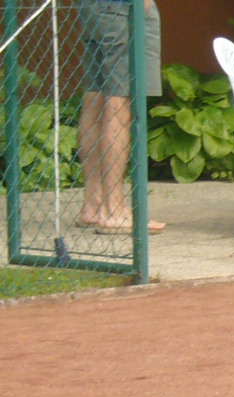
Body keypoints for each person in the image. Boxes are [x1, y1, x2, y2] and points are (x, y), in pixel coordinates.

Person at [77, 0, 165, 234]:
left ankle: (93, 204)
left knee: (96, 96)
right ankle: (113, 210)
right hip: (124, 8)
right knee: (121, 100)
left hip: (95, 7)